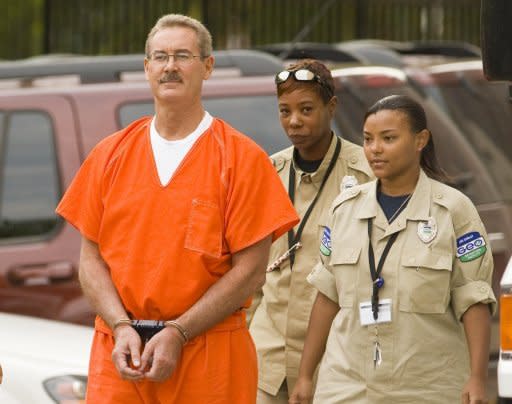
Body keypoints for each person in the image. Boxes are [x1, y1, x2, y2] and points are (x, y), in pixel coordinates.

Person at [56, 13, 299, 404]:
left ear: (207, 66)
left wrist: (179, 331)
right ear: (147, 67)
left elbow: (251, 271)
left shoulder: (241, 158)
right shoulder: (110, 154)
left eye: (183, 56)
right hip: (121, 352)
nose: (170, 67)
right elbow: (91, 258)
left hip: (209, 354)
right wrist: (120, 327)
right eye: (161, 56)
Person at [289, 94, 496, 404]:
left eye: (388, 138)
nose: (375, 149)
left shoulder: (453, 210)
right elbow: (327, 295)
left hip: (427, 386)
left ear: (420, 140)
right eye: (368, 139)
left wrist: (478, 378)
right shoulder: (344, 209)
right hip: (348, 385)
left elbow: (474, 298)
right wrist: (306, 376)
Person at [248, 59, 373, 404]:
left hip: (334, 355)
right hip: (267, 355)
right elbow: (249, 266)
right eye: (284, 111)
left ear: (331, 107)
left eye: (306, 109)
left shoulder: (366, 174)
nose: (294, 121)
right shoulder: (268, 172)